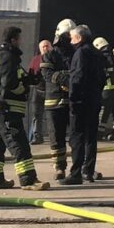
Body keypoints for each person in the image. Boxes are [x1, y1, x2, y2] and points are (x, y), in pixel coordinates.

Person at [0, 26, 49, 191]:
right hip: (7, 109)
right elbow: (10, 82)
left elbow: (11, 77)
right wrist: (23, 89)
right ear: (13, 40)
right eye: (19, 38)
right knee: (18, 143)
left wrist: (29, 79)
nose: (21, 41)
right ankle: (29, 180)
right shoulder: (8, 56)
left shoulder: (1, 55)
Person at [59, 24, 105, 185]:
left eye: (72, 38)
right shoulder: (97, 53)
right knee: (91, 137)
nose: (70, 42)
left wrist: (73, 98)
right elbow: (102, 78)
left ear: (79, 38)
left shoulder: (80, 53)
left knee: (77, 136)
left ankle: (76, 173)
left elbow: (77, 77)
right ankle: (88, 171)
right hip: (94, 100)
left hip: (81, 101)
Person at [42, 19, 76, 180]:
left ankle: (80, 167)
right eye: (66, 35)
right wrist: (65, 79)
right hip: (54, 103)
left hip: (73, 101)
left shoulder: (76, 54)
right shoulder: (50, 55)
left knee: (77, 136)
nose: (69, 39)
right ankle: (59, 168)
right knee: (57, 138)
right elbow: (47, 74)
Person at [26, 39, 51, 145]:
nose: (45, 48)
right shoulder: (35, 59)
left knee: (51, 115)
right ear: (40, 49)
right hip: (37, 90)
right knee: (36, 114)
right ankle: (37, 136)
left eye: (47, 46)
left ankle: (54, 136)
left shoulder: (56, 58)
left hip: (51, 91)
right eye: (43, 47)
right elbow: (30, 74)